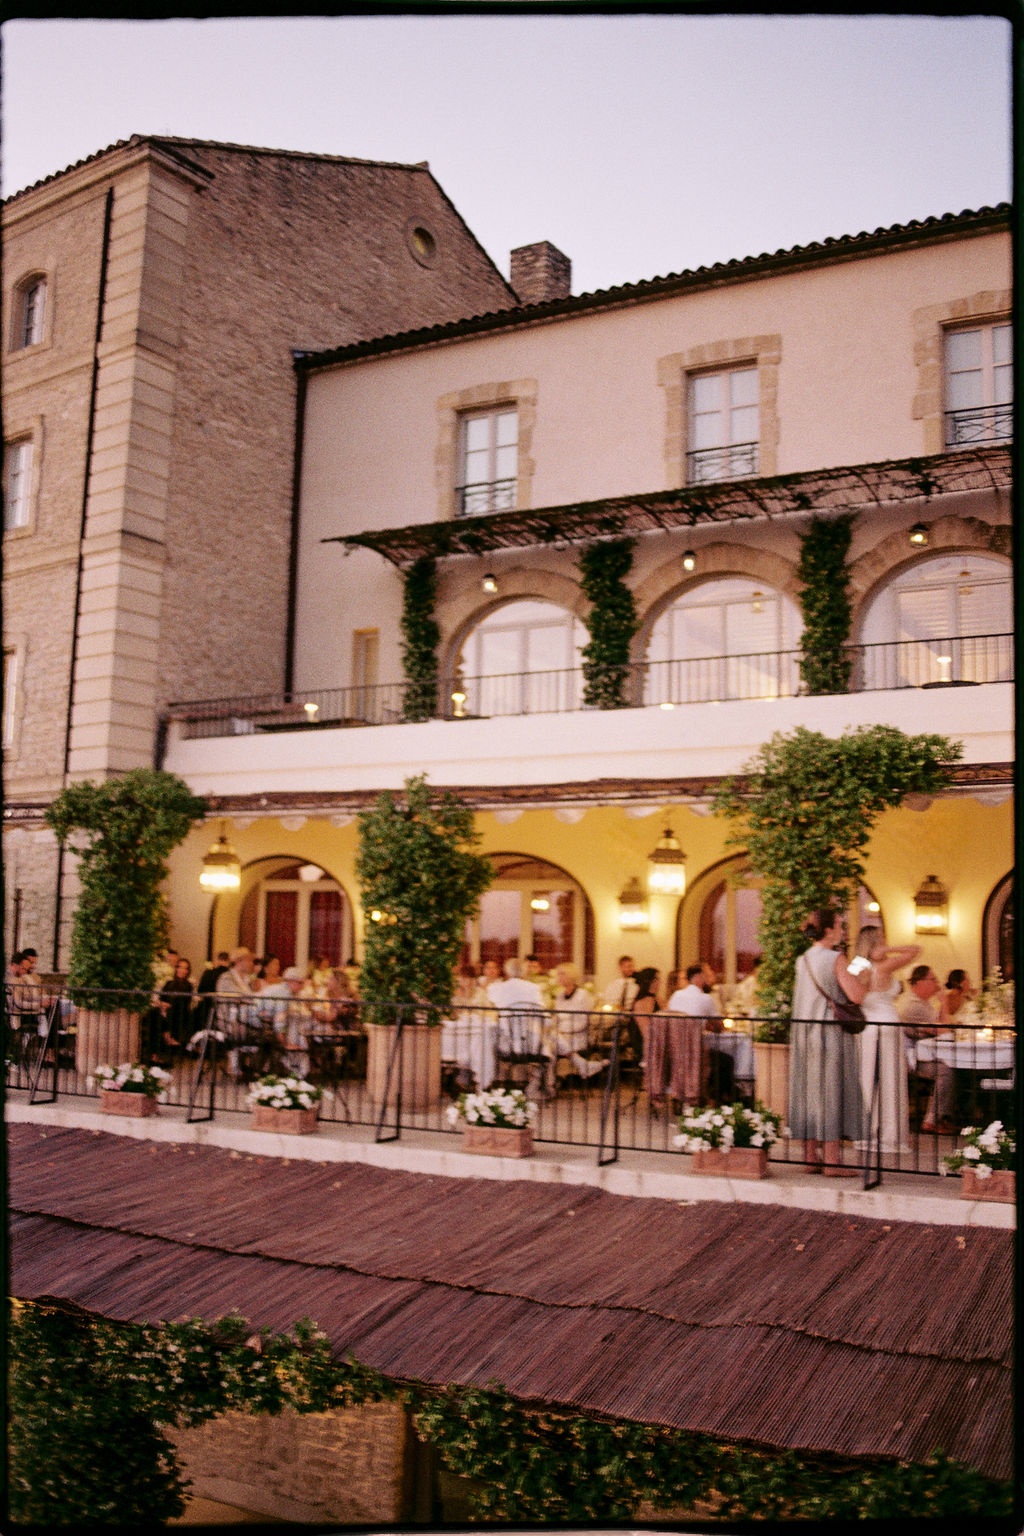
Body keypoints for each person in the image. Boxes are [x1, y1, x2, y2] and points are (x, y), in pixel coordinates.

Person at [789, 907, 868, 1176]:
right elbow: (856, 996)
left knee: (810, 1091)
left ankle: (810, 1157)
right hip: (829, 1033)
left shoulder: (803, 959)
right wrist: (863, 976)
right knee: (832, 1090)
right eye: (839, 925)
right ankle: (833, 1161)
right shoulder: (836, 957)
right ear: (827, 930)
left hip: (804, 1033)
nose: (842, 930)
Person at [849, 926, 919, 1154]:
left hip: (866, 1028)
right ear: (876, 943)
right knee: (889, 1078)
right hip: (887, 1025)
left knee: (867, 1076)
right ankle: (887, 1134)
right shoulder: (884, 965)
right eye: (882, 940)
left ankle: (867, 1129)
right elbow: (915, 950)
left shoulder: (857, 966)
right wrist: (889, 949)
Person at [648, 964, 717, 1110]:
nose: (708, 978)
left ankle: (680, 1094)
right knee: (724, 1060)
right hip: (694, 1050)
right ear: (698, 977)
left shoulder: (676, 995)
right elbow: (719, 1025)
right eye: (705, 974)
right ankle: (713, 1099)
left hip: (673, 1050)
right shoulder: (706, 998)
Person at [898, 964, 954, 1132]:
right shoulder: (913, 1005)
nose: (937, 984)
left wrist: (942, 1005)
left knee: (955, 1066)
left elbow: (944, 1025)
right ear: (919, 982)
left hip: (926, 1053)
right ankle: (932, 1119)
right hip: (912, 1058)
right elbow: (943, 1029)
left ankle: (945, 1116)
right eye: (933, 979)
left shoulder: (925, 1003)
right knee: (947, 1070)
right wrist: (944, 1002)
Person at [549, 962, 603, 1084]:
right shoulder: (559, 996)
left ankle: (550, 1083)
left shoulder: (583, 995)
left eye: (562, 974)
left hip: (577, 1035)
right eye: (558, 974)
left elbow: (583, 1022)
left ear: (571, 976)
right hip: (560, 1036)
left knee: (549, 1044)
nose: (559, 977)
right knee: (547, 1044)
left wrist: (562, 1030)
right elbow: (557, 1018)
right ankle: (581, 1064)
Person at [215, 947, 257, 1078]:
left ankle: (251, 1066)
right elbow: (237, 996)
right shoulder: (227, 978)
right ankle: (236, 1067)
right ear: (240, 961)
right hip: (228, 1018)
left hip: (246, 1017)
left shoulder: (247, 980)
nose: (252, 964)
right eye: (250, 960)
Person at [157, 955, 195, 1052]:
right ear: (176, 968)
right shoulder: (169, 983)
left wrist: (167, 1005)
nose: (182, 970)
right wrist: (162, 1004)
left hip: (179, 1012)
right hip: (164, 1010)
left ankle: (167, 1036)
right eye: (180, 967)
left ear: (188, 971)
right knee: (154, 1013)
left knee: (170, 1012)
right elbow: (161, 997)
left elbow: (184, 1001)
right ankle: (166, 1037)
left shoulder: (188, 985)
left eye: (185, 968)